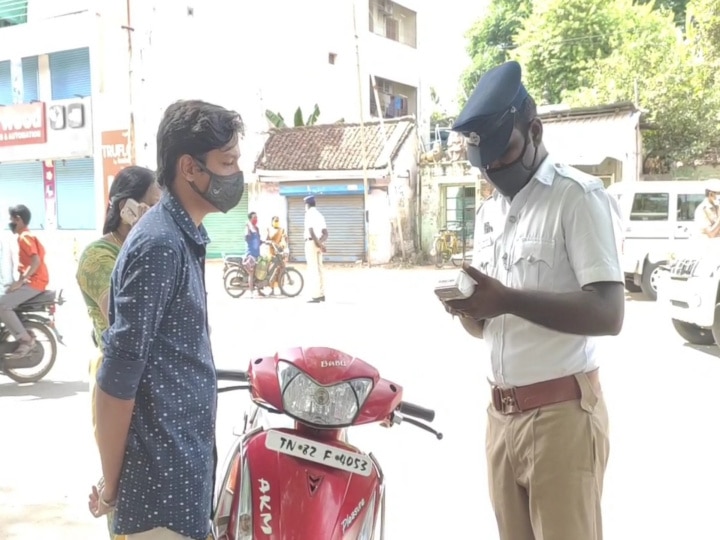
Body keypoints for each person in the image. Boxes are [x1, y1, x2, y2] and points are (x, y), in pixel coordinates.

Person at [440, 61, 624, 540]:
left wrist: (505, 300)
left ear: (535, 131)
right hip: (501, 416)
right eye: (485, 166)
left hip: (562, 417)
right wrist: (471, 310)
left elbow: (609, 313)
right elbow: (493, 321)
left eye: (505, 156)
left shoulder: (577, 198)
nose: (496, 171)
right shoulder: (489, 213)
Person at [89, 100, 245, 540]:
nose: (236, 175)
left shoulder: (182, 236)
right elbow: (115, 381)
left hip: (180, 486)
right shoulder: (160, 245)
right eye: (227, 162)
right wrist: (113, 487)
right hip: (157, 500)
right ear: (190, 168)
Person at [76, 165, 161, 540]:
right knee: (124, 479)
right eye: (151, 206)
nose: (159, 215)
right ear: (128, 208)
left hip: (155, 379)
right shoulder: (98, 257)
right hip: (118, 381)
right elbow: (127, 319)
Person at [0, 204, 49, 358]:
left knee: (2, 305)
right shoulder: (24, 236)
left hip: (35, 283)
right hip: (34, 281)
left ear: (18, 219)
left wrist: (20, 283)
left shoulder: (25, 237)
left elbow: (35, 261)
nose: (10, 223)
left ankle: (26, 340)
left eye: (11, 219)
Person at [303, 195, 327, 303]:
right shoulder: (320, 215)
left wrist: (318, 244)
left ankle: (316, 296)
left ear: (307, 205)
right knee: (320, 269)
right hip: (318, 243)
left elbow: (311, 231)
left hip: (311, 243)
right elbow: (326, 233)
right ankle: (321, 294)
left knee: (313, 269)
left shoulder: (309, 214)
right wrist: (321, 243)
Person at [266, 215, 288, 293]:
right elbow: (267, 240)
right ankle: (272, 290)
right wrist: (270, 243)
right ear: (272, 222)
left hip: (280, 253)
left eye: (278, 221)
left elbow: (285, 239)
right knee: (272, 272)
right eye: (275, 221)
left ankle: (281, 289)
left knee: (281, 271)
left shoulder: (282, 230)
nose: (277, 222)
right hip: (272, 254)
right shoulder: (269, 230)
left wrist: (282, 245)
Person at [244, 211, 261, 296]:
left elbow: (258, 240)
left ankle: (259, 290)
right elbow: (246, 237)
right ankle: (251, 292)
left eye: (256, 217)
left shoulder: (257, 228)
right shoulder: (248, 227)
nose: (256, 219)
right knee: (251, 273)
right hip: (250, 254)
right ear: (250, 219)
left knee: (258, 272)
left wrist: (266, 242)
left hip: (257, 253)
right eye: (254, 217)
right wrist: (248, 230)